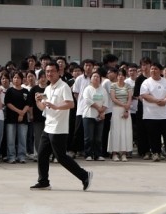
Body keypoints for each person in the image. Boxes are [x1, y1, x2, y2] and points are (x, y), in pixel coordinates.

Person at [30, 61, 92, 191]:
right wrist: (38, 101)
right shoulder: (48, 88)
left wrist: (56, 106)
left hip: (59, 128)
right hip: (48, 126)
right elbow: (44, 107)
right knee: (41, 154)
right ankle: (43, 181)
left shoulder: (63, 87)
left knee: (61, 157)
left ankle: (84, 175)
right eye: (47, 71)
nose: (49, 74)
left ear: (58, 72)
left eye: (52, 71)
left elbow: (70, 104)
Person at [139, 62, 166, 162]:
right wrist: (157, 100)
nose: (153, 71)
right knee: (153, 135)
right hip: (150, 115)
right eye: (152, 69)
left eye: (155, 69)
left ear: (160, 71)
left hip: (165, 115)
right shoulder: (146, 82)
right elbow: (144, 95)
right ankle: (156, 153)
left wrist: (165, 101)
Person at [107, 68, 132, 162]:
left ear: (125, 77)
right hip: (116, 110)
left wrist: (126, 109)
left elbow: (129, 98)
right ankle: (114, 153)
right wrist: (124, 105)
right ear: (117, 76)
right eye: (119, 75)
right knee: (115, 131)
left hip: (126, 110)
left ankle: (124, 154)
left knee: (125, 131)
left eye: (122, 75)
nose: (120, 77)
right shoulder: (113, 86)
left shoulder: (128, 86)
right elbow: (113, 98)